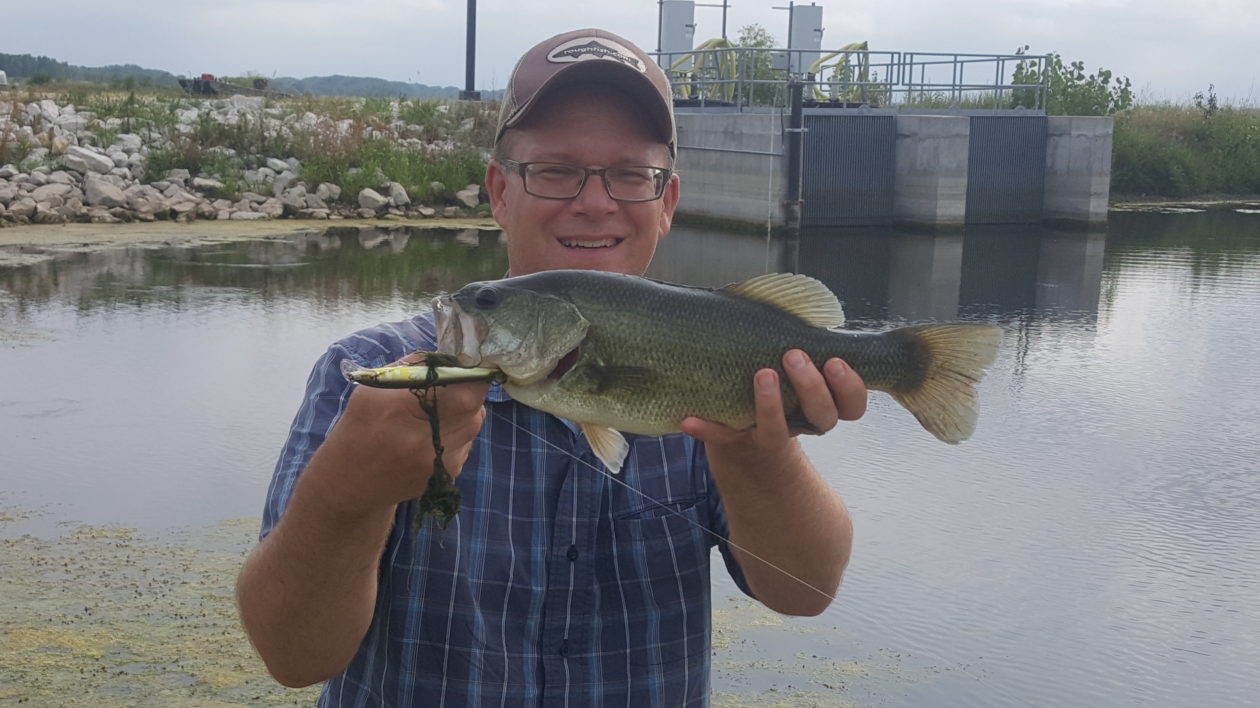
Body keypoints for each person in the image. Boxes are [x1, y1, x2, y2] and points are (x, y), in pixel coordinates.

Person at [237, 28, 865, 706]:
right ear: (500, 192)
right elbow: (293, 657)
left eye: (630, 175)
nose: (594, 202)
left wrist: (760, 457)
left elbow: (805, 590)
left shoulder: (711, 363)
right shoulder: (366, 376)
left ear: (667, 205)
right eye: (557, 170)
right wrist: (344, 498)